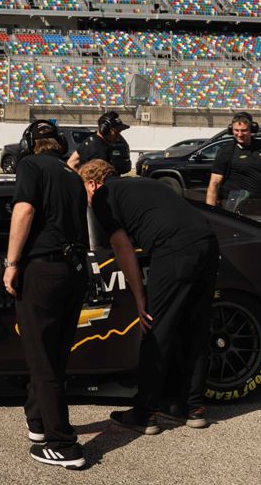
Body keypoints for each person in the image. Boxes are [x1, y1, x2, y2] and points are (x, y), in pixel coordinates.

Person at [79, 159, 211, 433]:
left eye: (84, 191)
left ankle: (144, 414)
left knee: (155, 329)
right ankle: (192, 407)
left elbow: (122, 249)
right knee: (195, 328)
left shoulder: (103, 195)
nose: (87, 198)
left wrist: (140, 299)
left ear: (92, 184)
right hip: (208, 243)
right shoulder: (141, 183)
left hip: (174, 250)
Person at [3, 120, 94, 470]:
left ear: (29, 144)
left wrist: (12, 262)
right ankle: (38, 423)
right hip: (74, 271)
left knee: (42, 359)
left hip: (44, 270)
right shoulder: (71, 175)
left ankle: (62, 443)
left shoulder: (29, 165)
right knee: (53, 356)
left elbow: (24, 210)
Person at [205, 112, 261, 209]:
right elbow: (214, 184)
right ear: (231, 130)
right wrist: (210, 212)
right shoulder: (226, 151)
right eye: (236, 130)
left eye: (244, 130)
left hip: (259, 204)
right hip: (234, 206)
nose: (239, 134)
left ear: (252, 129)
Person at [66, 110, 131, 174]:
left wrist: (80, 181)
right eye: (116, 132)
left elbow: (71, 162)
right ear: (104, 129)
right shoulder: (99, 149)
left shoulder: (90, 140)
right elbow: (100, 179)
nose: (118, 136)